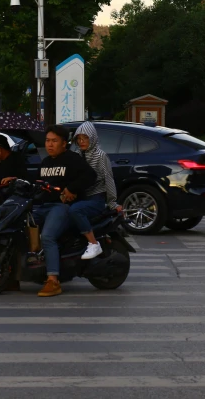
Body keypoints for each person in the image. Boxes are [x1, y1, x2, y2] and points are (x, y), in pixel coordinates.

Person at [34, 124, 96, 298]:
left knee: (47, 236)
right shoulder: (45, 162)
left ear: (64, 143)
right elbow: (38, 184)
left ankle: (53, 280)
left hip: (62, 207)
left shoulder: (72, 159)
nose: (50, 145)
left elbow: (91, 176)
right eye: (47, 141)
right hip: (43, 206)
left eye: (54, 141)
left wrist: (71, 189)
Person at [69, 121, 123, 260]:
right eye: (79, 139)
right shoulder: (76, 154)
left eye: (85, 138)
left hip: (96, 198)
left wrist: (112, 202)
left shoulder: (100, 156)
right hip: (80, 197)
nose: (81, 142)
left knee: (76, 210)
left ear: (92, 137)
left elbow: (108, 178)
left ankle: (93, 243)